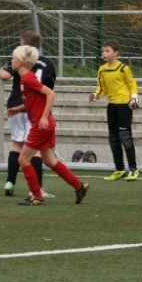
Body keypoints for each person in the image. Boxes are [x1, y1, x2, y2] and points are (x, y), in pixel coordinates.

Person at [12, 45, 89, 206]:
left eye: (13, 58)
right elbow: (34, 101)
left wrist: (44, 117)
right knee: (49, 160)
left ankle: (37, 196)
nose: (11, 61)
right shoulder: (24, 79)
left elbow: (51, 94)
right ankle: (79, 186)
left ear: (20, 62)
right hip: (44, 124)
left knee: (23, 159)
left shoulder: (28, 78)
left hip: (41, 125)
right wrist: (18, 109)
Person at [0, 30, 55, 198]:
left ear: (23, 45)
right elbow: (49, 90)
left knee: (17, 144)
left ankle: (10, 182)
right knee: (35, 149)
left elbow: (4, 75)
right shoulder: (47, 64)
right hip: (33, 107)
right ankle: (36, 189)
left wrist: (4, 66)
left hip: (15, 104)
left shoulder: (18, 60)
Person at [89, 39, 140, 181]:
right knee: (113, 138)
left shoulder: (123, 68)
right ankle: (119, 169)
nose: (104, 53)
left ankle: (133, 169)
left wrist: (134, 97)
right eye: (103, 51)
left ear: (116, 53)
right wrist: (96, 95)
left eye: (107, 51)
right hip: (111, 107)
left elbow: (132, 84)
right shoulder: (102, 69)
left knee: (125, 137)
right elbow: (102, 88)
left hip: (124, 106)